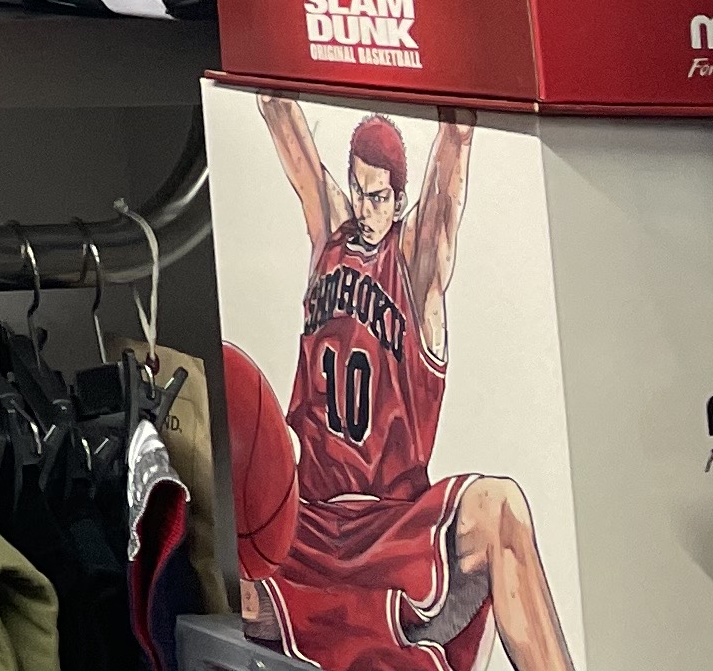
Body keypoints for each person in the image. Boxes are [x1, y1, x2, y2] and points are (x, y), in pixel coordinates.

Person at [244, 99, 575, 671]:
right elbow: (284, 123)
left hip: (390, 528)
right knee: (234, 583)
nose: (366, 208)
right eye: (359, 191)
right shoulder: (329, 237)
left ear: (399, 200)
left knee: (502, 509)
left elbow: (452, 159)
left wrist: (456, 99)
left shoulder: (415, 264)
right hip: (310, 523)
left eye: (379, 197)